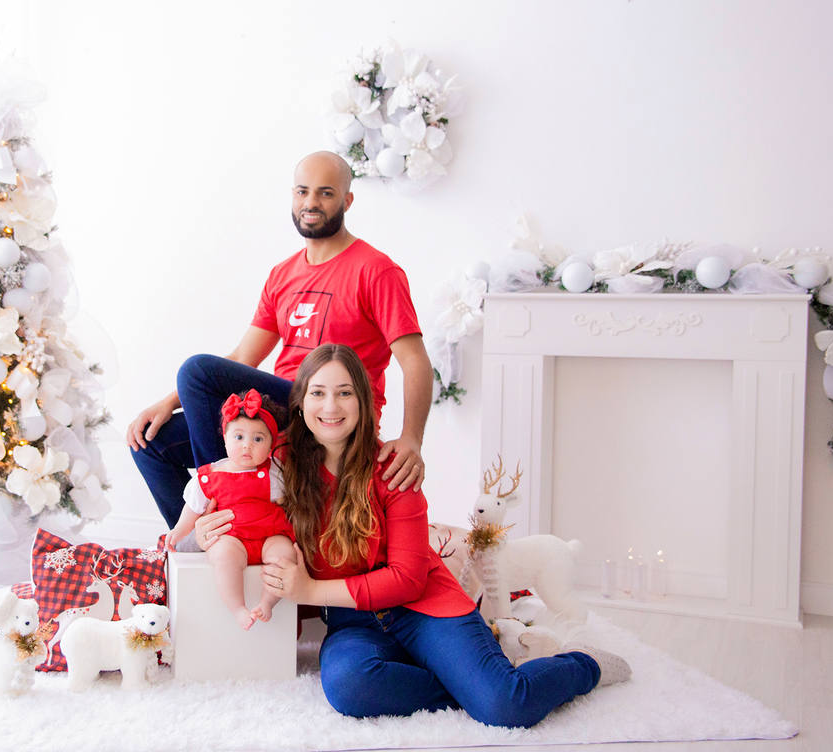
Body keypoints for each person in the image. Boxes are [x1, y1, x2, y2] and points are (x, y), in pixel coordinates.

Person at [219, 343, 631, 726]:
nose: (330, 406)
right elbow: (228, 488)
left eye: (345, 393)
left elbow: (407, 578)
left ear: (364, 402)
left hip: (425, 609)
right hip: (354, 623)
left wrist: (309, 591)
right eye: (318, 393)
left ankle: (582, 664)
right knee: (350, 687)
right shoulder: (279, 466)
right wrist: (202, 523)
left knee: (506, 704)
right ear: (300, 402)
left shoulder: (395, 467)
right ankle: (470, 683)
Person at [127, 151, 434, 532]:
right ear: (292, 196)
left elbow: (415, 360)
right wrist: (166, 402)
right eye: (303, 192)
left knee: (196, 369)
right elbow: (243, 357)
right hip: (282, 408)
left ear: (347, 201)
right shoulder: (283, 274)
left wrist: (411, 439)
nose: (311, 203)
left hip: (331, 408)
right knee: (150, 442)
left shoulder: (376, 270)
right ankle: (202, 545)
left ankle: (220, 500)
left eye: (325, 193)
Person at [164, 389, 296, 630]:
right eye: (239, 437)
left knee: (285, 555)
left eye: (258, 439)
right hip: (232, 537)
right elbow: (193, 509)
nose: (247, 446)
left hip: (270, 535)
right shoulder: (209, 476)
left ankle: (267, 602)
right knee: (224, 557)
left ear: (270, 446)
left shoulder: (275, 474)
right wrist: (180, 530)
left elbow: (290, 504)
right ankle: (238, 607)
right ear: (224, 438)